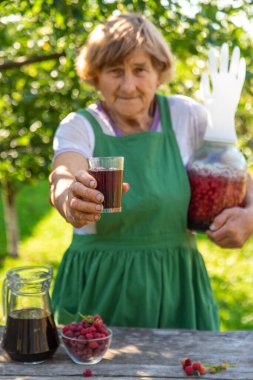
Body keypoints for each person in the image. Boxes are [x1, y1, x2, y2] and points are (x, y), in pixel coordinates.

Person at [49, 13, 253, 329]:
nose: (128, 85)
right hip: (100, 288)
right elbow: (63, 173)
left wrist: (249, 216)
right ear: (95, 76)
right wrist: (71, 199)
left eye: (140, 69)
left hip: (178, 288)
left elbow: (239, 178)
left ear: (159, 72)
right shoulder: (80, 126)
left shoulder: (187, 116)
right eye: (115, 71)